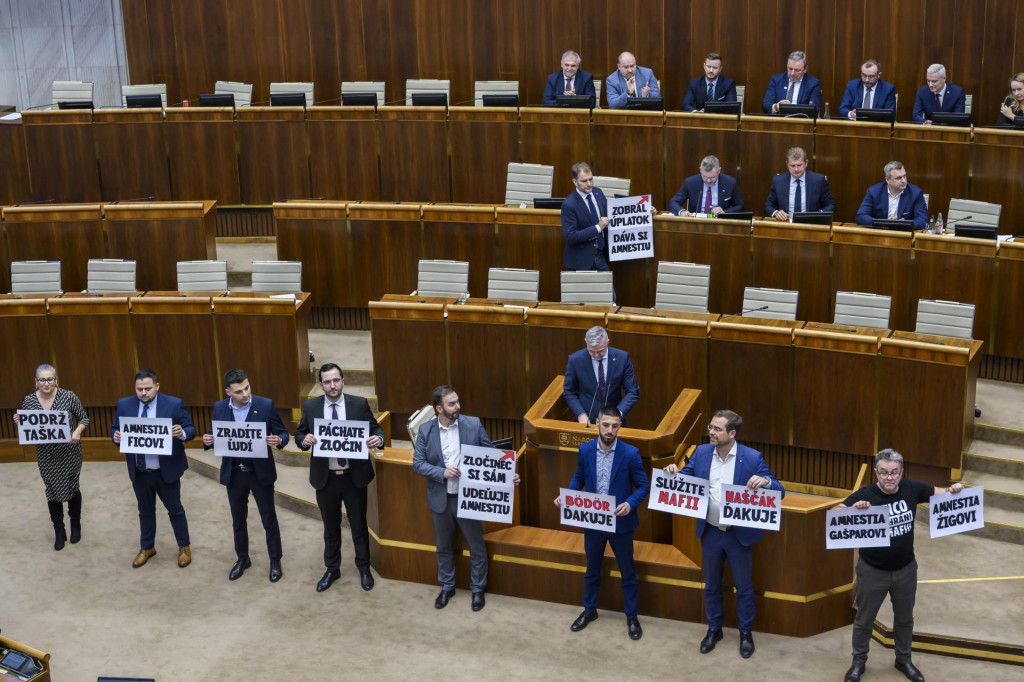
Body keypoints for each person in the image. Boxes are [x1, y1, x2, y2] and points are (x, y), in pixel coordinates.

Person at [837, 449, 965, 682]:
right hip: (872, 570)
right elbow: (835, 514)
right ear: (876, 473)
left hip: (906, 569)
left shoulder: (912, 488)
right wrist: (854, 510)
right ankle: (858, 662)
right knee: (864, 620)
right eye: (884, 472)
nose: (889, 477)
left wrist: (954, 489)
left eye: (894, 472)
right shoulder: (866, 494)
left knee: (905, 619)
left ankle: (903, 659)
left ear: (901, 472)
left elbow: (943, 493)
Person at [666, 410, 784, 659]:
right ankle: (714, 629)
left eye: (717, 429)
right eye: (710, 427)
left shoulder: (751, 457)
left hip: (737, 535)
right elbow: (685, 477)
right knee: (711, 586)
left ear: (732, 433)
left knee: (743, 587)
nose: (711, 432)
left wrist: (766, 483)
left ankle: (745, 633)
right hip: (709, 532)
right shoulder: (701, 452)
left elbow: (779, 490)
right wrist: (673, 473)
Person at [413, 385, 520, 611]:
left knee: (477, 546)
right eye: (452, 404)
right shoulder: (425, 431)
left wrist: (507, 475)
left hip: (469, 498)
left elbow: (490, 456)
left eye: (458, 402)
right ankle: (447, 586)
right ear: (438, 408)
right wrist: (441, 472)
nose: (458, 407)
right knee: (443, 547)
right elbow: (418, 464)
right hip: (440, 499)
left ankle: (478, 589)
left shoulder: (473, 424)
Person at [554, 407, 650, 640]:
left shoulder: (630, 453)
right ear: (597, 423)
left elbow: (644, 486)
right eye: (606, 425)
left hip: (621, 522)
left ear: (620, 426)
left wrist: (630, 503)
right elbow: (579, 477)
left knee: (627, 571)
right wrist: (568, 495)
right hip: (594, 520)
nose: (610, 430)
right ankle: (589, 610)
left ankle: (631, 615)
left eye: (615, 425)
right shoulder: (585, 450)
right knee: (592, 569)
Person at [296, 363, 384, 593]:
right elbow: (300, 433)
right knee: (330, 527)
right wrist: (304, 441)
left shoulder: (359, 404)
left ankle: (363, 568)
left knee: (358, 525)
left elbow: (377, 430)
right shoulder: (311, 406)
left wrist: (379, 440)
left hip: (353, 477)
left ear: (343, 381)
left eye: (336, 380)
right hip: (325, 479)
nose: (332, 385)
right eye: (327, 381)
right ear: (321, 384)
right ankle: (332, 568)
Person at [201, 369, 290, 583]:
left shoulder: (265, 405)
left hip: (260, 474)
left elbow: (284, 433)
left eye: (247, 388)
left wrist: (278, 440)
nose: (245, 394)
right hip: (234, 474)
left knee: (269, 519)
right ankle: (242, 558)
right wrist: (207, 441)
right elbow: (216, 436)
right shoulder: (220, 408)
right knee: (238, 520)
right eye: (239, 391)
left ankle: (275, 560)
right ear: (228, 392)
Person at [111, 369, 195, 569]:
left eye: (148, 388)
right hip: (140, 471)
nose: (143, 393)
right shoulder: (124, 404)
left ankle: (184, 546)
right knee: (145, 511)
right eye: (139, 389)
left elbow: (191, 429)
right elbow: (115, 428)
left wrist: (181, 432)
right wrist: (116, 437)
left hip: (166, 470)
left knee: (175, 510)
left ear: (157, 386)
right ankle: (147, 547)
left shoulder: (173, 404)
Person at [14, 364, 88, 551]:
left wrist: (77, 432)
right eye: (42, 380)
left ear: (56, 380)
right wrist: (20, 421)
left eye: (49, 379)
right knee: (52, 489)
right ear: (36, 381)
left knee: (72, 487)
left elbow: (84, 419)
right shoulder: (29, 400)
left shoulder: (68, 396)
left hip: (69, 452)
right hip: (46, 455)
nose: (46, 383)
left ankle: (75, 525)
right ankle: (58, 529)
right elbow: (30, 428)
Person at [563, 326, 639, 425]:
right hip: (586, 422)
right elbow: (569, 392)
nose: (596, 355)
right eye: (592, 351)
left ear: (608, 341)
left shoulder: (622, 358)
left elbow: (633, 391)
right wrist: (580, 414)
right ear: (586, 341)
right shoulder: (575, 360)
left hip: (615, 423)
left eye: (600, 351)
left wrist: (617, 414)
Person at [562, 161, 610, 272]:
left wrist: (644, 210)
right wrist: (598, 228)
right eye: (584, 181)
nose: (589, 184)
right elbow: (571, 236)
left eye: (591, 179)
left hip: (600, 255)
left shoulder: (598, 192)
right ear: (575, 182)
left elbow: (612, 212)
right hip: (580, 260)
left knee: (608, 289)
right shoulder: (569, 204)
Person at [764, 146, 836, 220]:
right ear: (787, 164)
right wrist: (776, 212)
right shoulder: (778, 181)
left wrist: (818, 215)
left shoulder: (818, 180)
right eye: (792, 166)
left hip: (810, 225)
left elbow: (830, 205)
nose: (796, 169)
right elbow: (768, 206)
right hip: (786, 225)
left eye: (799, 165)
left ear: (806, 163)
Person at [855, 161, 929, 231]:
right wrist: (884, 223)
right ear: (888, 180)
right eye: (899, 178)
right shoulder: (874, 192)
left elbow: (922, 220)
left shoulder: (916, 193)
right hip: (880, 234)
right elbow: (861, 216)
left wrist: (905, 224)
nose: (904, 181)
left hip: (904, 236)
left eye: (904, 176)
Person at [668, 155, 745, 216]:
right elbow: (673, 202)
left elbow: (740, 205)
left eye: (712, 177)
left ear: (719, 171)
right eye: (705, 176)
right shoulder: (690, 182)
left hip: (720, 223)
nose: (708, 181)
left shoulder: (730, 183)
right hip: (696, 224)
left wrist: (724, 212)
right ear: (700, 170)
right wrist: (682, 211)